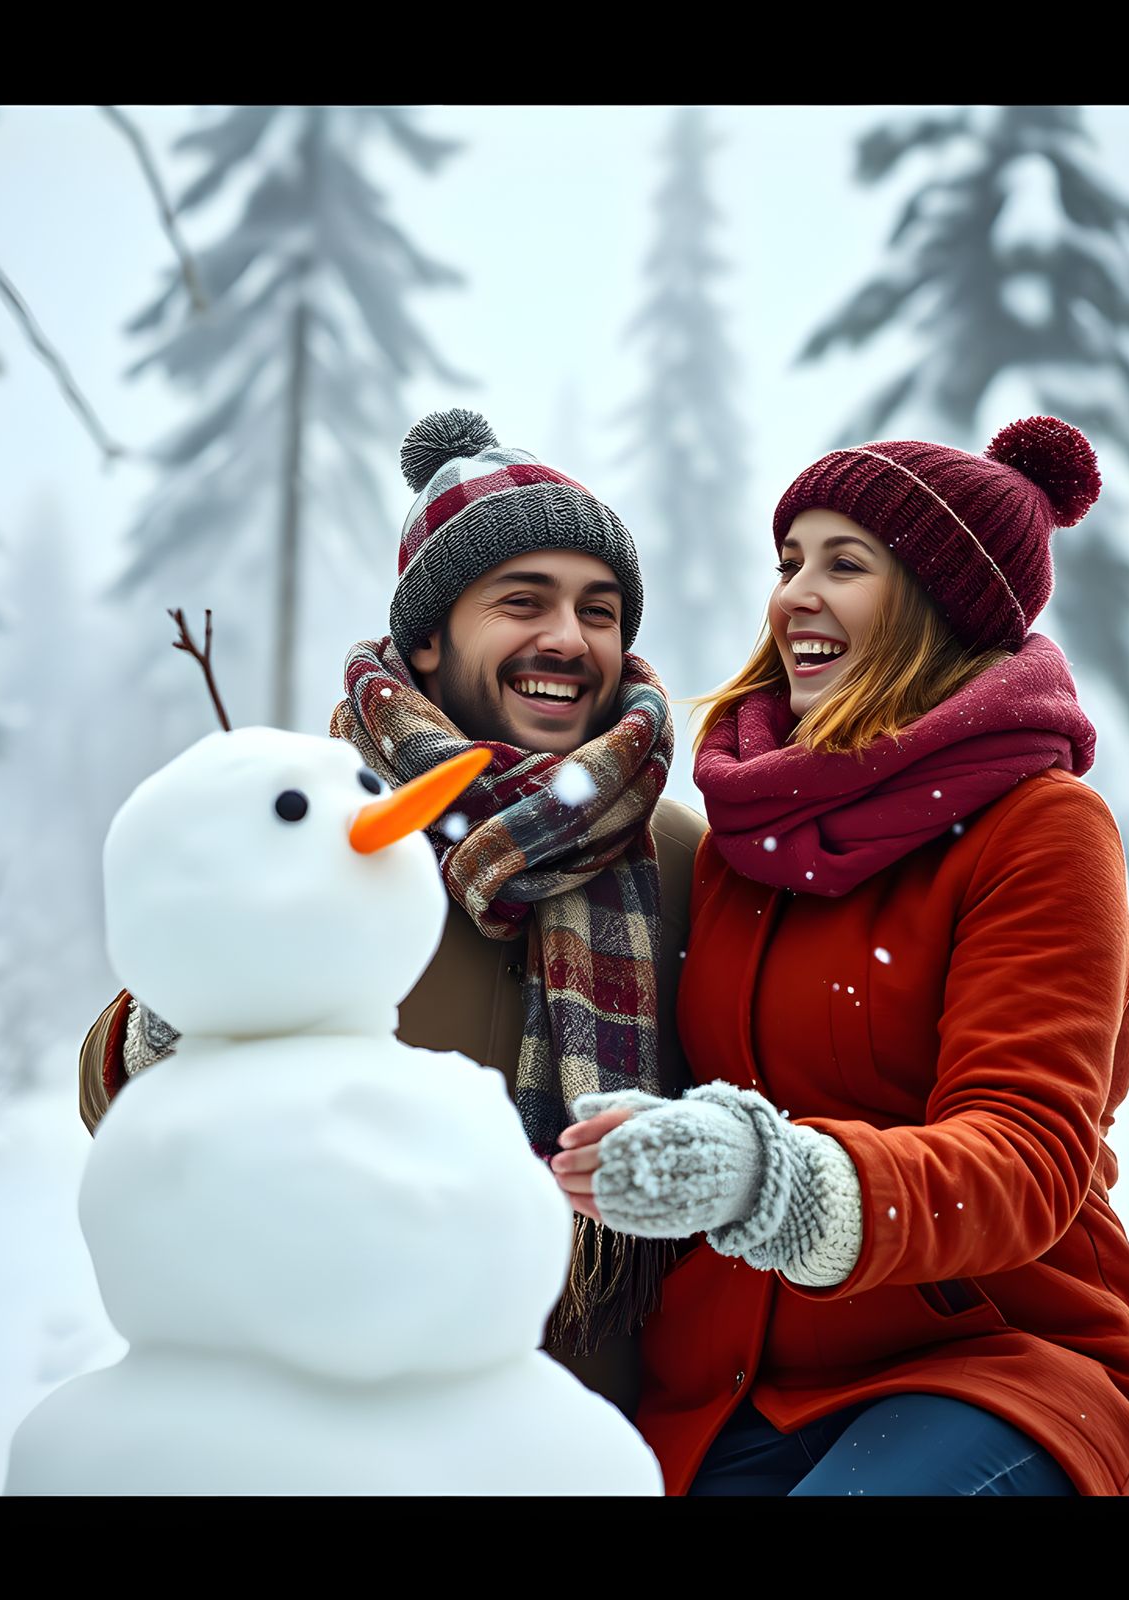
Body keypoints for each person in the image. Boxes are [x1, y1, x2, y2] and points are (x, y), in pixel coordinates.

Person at [552, 416, 1129, 1495]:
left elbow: (1027, 1154)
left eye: (844, 565)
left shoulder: (1042, 828)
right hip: (737, 1389)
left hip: (999, 1361)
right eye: (789, 562)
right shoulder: (741, 837)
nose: (794, 595)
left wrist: (776, 1178)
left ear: (942, 606)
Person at [78, 408, 706, 1419]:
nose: (567, 638)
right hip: (328, 1421)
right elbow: (116, 1102)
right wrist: (200, 996)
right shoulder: (325, 824)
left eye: (599, 610)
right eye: (523, 600)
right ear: (426, 640)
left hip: (591, 1425)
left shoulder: (679, 860)